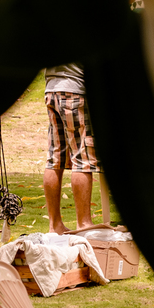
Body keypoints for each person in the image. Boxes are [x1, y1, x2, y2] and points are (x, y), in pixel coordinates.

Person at [43, 63, 98, 234]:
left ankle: (55, 225)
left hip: (51, 90)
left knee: (55, 158)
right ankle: (84, 224)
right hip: (74, 89)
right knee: (82, 158)